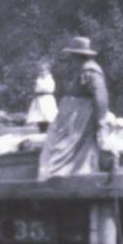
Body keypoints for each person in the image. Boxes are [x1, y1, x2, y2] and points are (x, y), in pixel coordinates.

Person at [38, 37, 108, 178]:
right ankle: (56, 174)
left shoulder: (91, 71)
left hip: (80, 117)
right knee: (55, 143)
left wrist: (101, 121)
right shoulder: (81, 69)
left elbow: (100, 95)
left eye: (72, 56)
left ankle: (63, 175)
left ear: (78, 55)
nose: (70, 60)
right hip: (72, 116)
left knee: (65, 146)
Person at [26, 61, 58, 133]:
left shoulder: (50, 79)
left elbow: (48, 88)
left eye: (43, 71)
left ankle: (48, 129)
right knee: (39, 115)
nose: (42, 73)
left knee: (48, 114)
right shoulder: (38, 79)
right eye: (40, 71)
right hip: (39, 99)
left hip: (47, 98)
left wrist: (40, 90)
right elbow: (36, 88)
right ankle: (41, 128)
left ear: (48, 71)